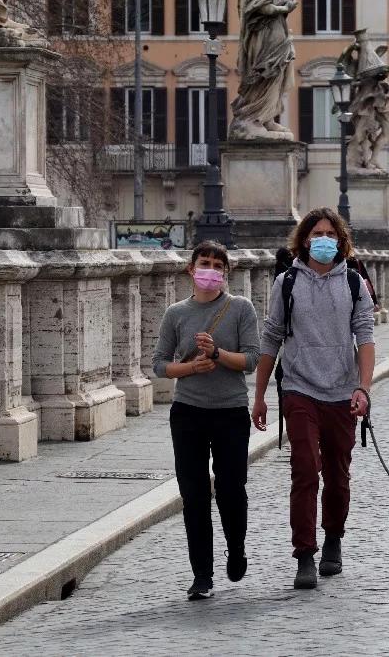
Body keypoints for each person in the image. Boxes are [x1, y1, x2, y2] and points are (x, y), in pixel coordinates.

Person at [251, 208, 376, 590]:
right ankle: (304, 553)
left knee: (338, 475)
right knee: (305, 468)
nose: (323, 239)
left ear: (340, 240)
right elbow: (271, 337)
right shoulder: (286, 283)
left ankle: (333, 539)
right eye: (316, 232)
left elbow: (366, 337)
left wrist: (363, 389)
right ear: (304, 239)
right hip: (299, 387)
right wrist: (258, 395)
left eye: (330, 233)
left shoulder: (354, 283)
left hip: (342, 391)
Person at [151, 241, 260, 601]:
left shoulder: (241, 308)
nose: (210, 270)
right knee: (194, 495)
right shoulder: (176, 313)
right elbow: (159, 365)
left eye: (217, 265)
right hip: (188, 413)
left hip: (230, 412)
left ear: (225, 272)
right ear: (191, 269)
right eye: (204, 263)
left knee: (231, 488)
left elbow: (251, 360)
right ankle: (201, 575)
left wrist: (217, 353)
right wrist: (191, 368)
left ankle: (237, 547)